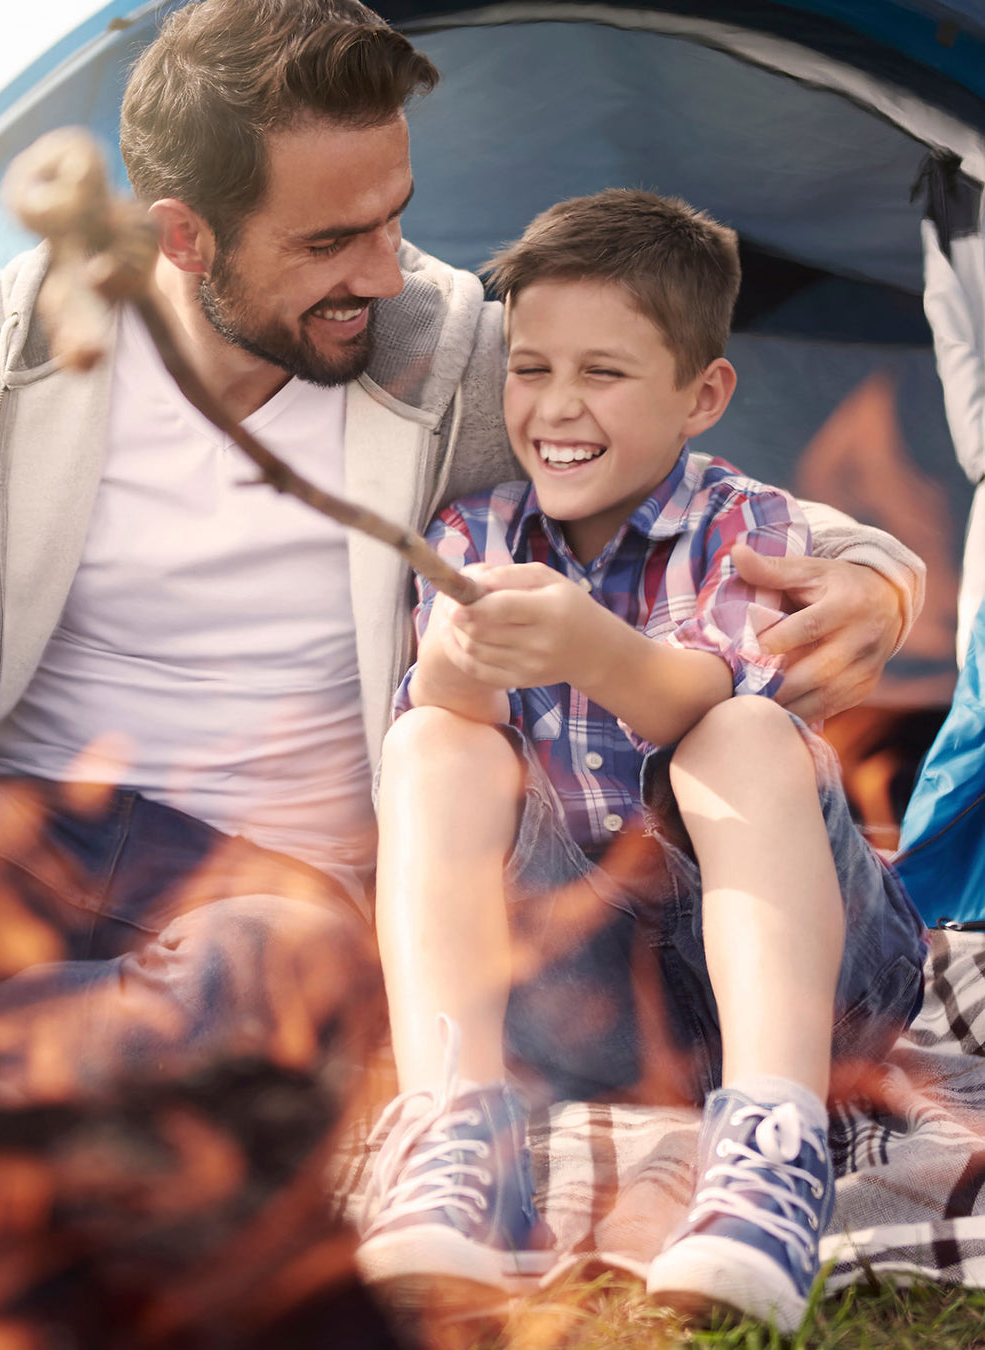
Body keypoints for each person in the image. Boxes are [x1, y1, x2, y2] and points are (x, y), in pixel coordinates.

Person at [0, 2, 921, 1101]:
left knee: (272, 981)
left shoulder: (451, 353)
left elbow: (699, 484)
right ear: (181, 236)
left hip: (263, 899)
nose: (387, 271)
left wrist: (875, 576)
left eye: (393, 220)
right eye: (328, 242)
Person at [354, 190, 928, 1331]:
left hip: (807, 988)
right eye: (532, 369)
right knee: (430, 739)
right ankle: (461, 1130)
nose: (558, 408)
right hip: (589, 1008)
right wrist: (465, 660)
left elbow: (699, 697)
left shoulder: (743, 527)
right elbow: (440, 694)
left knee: (748, 733)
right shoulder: (474, 534)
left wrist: (590, 645)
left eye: (603, 374)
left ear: (701, 395)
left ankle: (772, 1145)